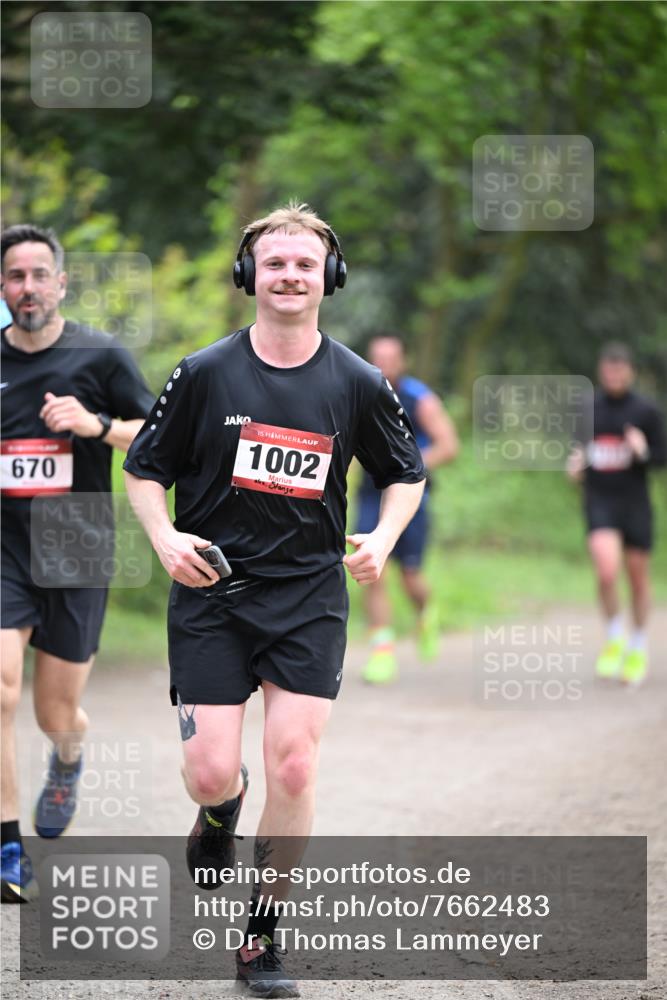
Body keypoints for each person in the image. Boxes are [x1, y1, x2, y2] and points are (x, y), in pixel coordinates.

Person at [123, 202, 425, 998]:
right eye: (274, 262)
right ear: (248, 275)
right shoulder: (203, 373)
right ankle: (219, 813)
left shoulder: (359, 382)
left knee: (292, 764)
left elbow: (405, 475)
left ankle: (263, 937)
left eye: (303, 263)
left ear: (327, 277)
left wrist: (383, 539)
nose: (289, 275)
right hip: (212, 595)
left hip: (308, 597)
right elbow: (145, 468)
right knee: (209, 769)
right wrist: (163, 539)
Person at [0, 224, 154, 902]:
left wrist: (95, 426)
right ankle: (9, 847)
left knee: (55, 712)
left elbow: (156, 436)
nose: (26, 287)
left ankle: (67, 758)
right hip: (2, 543)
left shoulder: (100, 355)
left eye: (38, 274)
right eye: (13, 277)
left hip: (75, 542)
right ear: (3, 291)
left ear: (61, 283)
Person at [355, 334, 459, 684]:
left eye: (390, 358)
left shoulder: (420, 399)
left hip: (412, 499)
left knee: (411, 576)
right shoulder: (359, 391)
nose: (383, 364)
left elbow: (448, 446)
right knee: (373, 569)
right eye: (377, 357)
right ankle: (382, 651)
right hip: (370, 496)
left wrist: (407, 467)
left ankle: (425, 613)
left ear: (403, 362)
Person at [567, 342, 666, 685]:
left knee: (637, 577)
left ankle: (638, 645)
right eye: (608, 370)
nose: (613, 376)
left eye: (619, 370)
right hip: (600, 501)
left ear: (630, 372)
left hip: (635, 503)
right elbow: (576, 454)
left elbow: (661, 458)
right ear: (601, 371)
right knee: (607, 570)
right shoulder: (588, 409)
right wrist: (574, 467)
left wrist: (643, 451)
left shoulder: (647, 411)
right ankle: (614, 636)